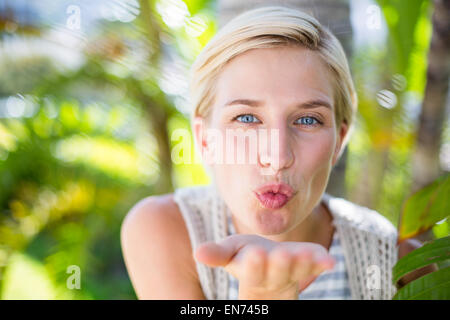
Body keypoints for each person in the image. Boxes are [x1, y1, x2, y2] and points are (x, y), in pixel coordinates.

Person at [120, 6, 436, 300]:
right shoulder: (167, 229)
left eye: (308, 120)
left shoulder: (396, 259)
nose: (277, 156)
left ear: (339, 141)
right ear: (205, 139)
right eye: (246, 118)